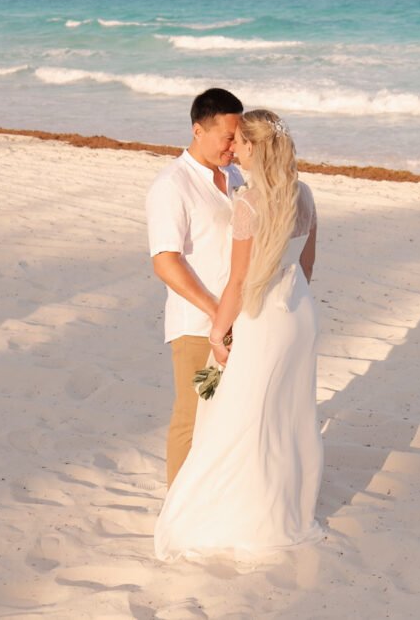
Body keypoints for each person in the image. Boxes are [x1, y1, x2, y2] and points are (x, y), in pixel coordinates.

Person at [155, 109, 323, 559]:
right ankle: (283, 504)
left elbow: (238, 280)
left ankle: (236, 509)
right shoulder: (302, 194)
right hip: (298, 314)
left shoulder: (249, 201)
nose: (234, 151)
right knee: (286, 411)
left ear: (252, 147)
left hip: (261, 318)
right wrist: (291, 297)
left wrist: (218, 331)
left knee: (238, 414)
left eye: (239, 143)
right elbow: (306, 265)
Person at [145, 87, 244, 487]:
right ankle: (175, 508)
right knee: (192, 415)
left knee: (226, 417)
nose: (234, 146)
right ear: (198, 130)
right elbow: (165, 261)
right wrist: (214, 309)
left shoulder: (235, 174)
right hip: (196, 326)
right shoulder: (172, 185)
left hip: (237, 319)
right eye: (227, 137)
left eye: (238, 137)